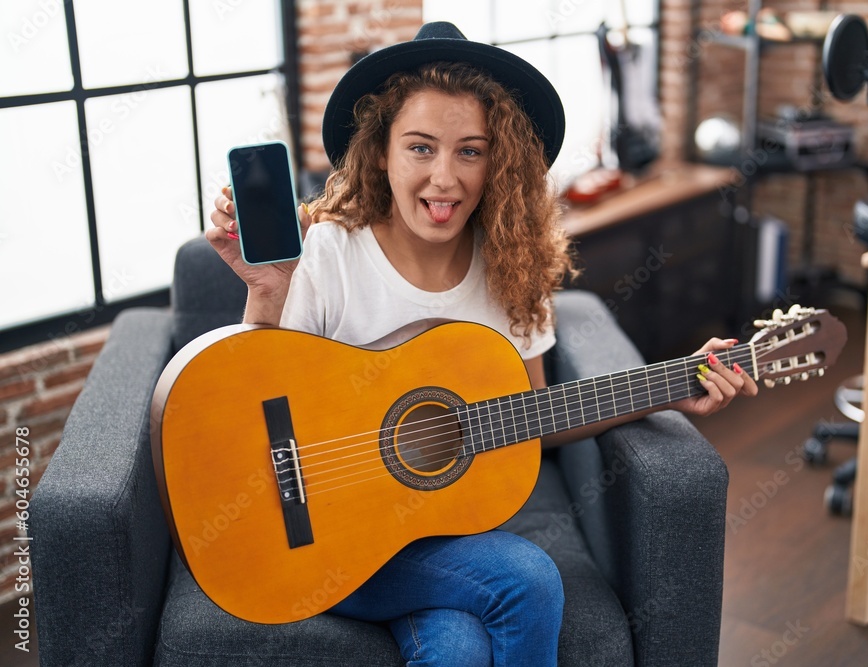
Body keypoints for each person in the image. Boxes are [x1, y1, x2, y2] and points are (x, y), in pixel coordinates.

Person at [207, 21, 756, 667]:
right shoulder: (331, 250)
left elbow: (537, 416)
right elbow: (248, 405)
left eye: (470, 150)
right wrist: (267, 291)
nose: (444, 178)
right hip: (320, 541)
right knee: (526, 579)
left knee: (460, 648)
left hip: (438, 532)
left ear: (501, 161)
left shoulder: (512, 267)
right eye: (420, 147)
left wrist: (670, 391)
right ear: (380, 152)